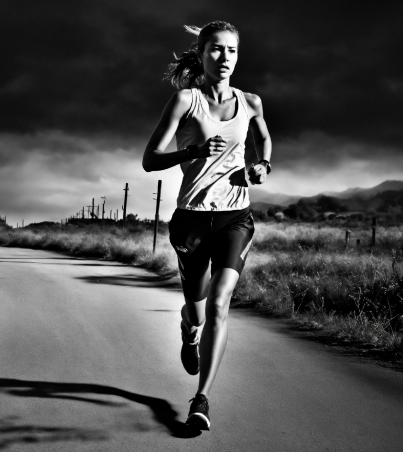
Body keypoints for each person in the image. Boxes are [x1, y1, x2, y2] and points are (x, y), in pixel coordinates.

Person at [142, 21, 272, 431]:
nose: (224, 58)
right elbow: (150, 159)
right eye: (216, 49)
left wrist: (261, 166)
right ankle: (190, 333)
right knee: (196, 313)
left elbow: (264, 141)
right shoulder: (186, 100)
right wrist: (194, 151)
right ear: (201, 54)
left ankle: (201, 399)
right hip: (191, 220)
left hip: (236, 217)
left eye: (231, 51)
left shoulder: (250, 102)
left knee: (220, 304)